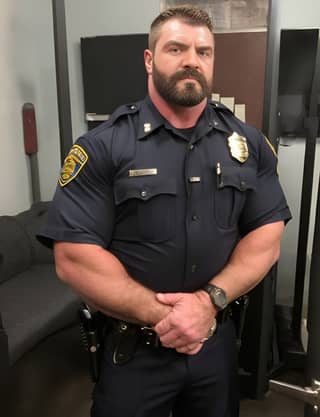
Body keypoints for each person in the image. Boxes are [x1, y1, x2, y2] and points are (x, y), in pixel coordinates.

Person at [38, 5, 291, 417]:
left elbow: (267, 236)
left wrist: (207, 305)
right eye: (176, 48)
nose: (192, 60)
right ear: (150, 59)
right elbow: (73, 259)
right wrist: (167, 318)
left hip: (214, 346)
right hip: (133, 351)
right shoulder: (103, 147)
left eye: (203, 52)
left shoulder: (248, 144)